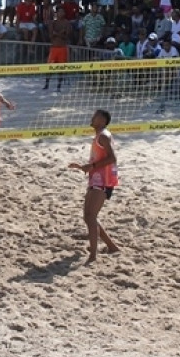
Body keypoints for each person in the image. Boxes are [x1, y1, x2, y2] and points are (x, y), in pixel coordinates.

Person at [68, 109, 120, 264]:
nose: (92, 117)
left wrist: (92, 166)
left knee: (90, 216)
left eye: (96, 116)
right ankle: (111, 247)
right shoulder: (100, 136)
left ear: (103, 121)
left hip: (103, 180)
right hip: (97, 178)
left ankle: (93, 256)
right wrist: (86, 167)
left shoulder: (103, 135)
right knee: (88, 216)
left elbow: (112, 158)